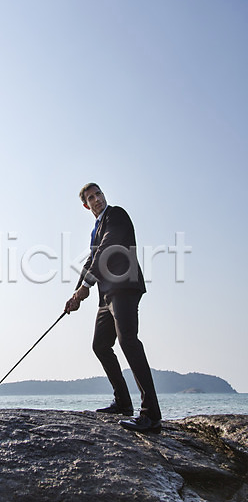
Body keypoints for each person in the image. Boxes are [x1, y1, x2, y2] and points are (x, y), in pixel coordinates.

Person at [64, 183, 162, 434]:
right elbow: (92, 259)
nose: (96, 199)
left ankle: (151, 414)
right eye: (91, 198)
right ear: (86, 205)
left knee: (128, 340)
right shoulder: (95, 229)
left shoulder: (117, 215)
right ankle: (123, 402)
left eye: (98, 194)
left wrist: (85, 286)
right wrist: (77, 294)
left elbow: (108, 248)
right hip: (106, 295)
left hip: (124, 287)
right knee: (100, 345)